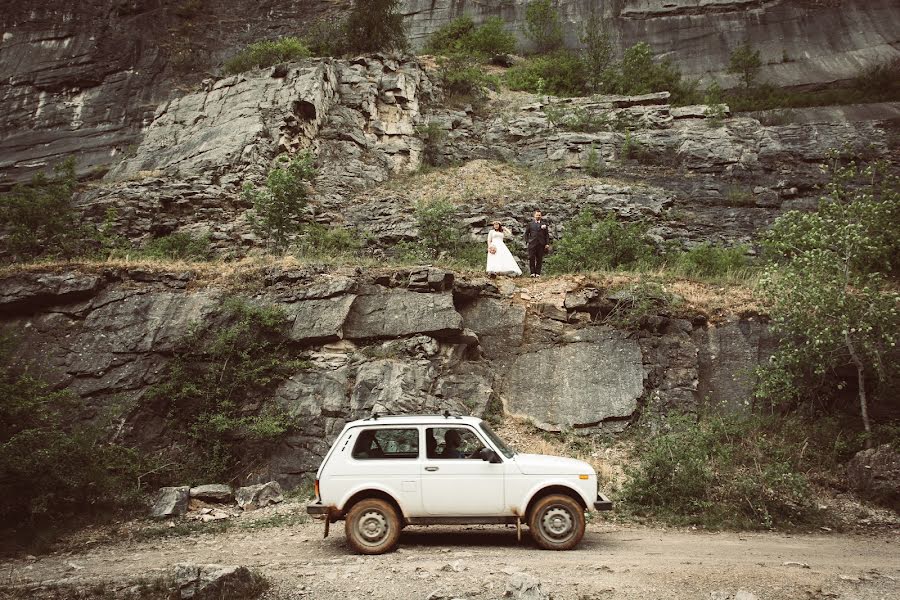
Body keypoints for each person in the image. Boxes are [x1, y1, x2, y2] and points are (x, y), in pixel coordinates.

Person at [524, 210, 550, 277]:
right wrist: (527, 241)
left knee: (539, 259)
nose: (538, 216)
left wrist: (547, 243)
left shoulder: (544, 224)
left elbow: (547, 235)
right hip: (532, 243)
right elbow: (526, 233)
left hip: (541, 244)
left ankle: (538, 273)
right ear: (534, 215)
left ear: (541, 216)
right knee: (531, 258)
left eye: (539, 215)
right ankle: (532, 273)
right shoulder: (530, 224)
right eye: (537, 215)